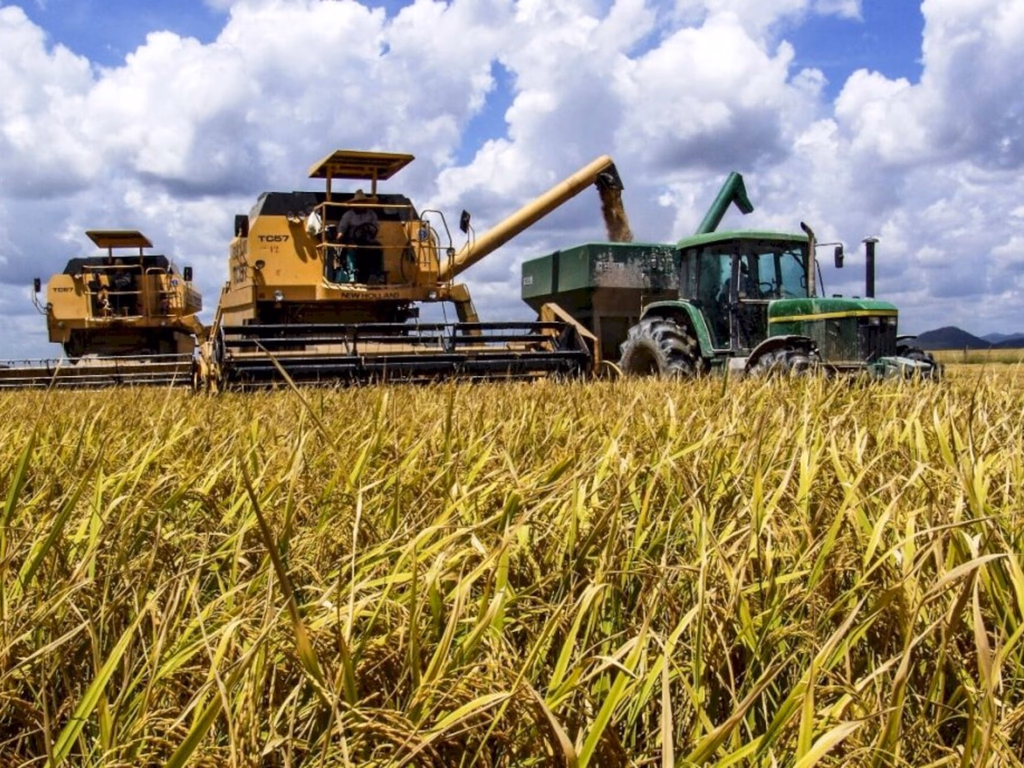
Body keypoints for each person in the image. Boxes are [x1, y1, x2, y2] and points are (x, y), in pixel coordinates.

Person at [337, 189, 380, 283]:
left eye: (363, 202)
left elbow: (375, 227)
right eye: (359, 202)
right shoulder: (348, 215)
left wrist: (370, 231)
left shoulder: (371, 214)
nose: (361, 204)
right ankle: (351, 274)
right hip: (353, 239)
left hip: (368, 239)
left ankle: (375, 274)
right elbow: (342, 227)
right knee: (351, 248)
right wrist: (340, 235)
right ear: (355, 203)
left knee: (377, 247)